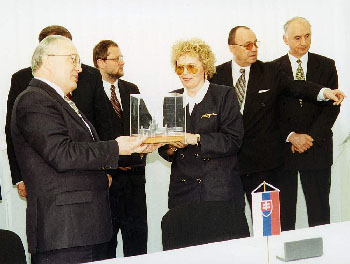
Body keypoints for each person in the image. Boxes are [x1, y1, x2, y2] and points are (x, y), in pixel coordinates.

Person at [10, 35, 154, 264]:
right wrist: (116, 147)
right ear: (48, 61)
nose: (79, 68)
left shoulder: (58, 99)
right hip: (66, 233)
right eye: (73, 60)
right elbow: (62, 154)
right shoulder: (34, 100)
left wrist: (131, 149)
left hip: (82, 230)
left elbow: (81, 151)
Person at [209, 26, 344, 210]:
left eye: (256, 43)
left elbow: (297, 86)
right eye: (248, 45)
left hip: (262, 167)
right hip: (226, 166)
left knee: (268, 226)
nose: (254, 48)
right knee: (231, 223)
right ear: (232, 47)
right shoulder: (215, 75)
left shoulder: (270, 71)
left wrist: (324, 92)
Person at [159, 38, 249, 250]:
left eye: (191, 66)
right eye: (180, 67)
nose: (185, 72)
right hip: (184, 195)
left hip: (219, 194)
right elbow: (166, 149)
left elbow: (233, 140)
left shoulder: (224, 94)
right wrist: (171, 146)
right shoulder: (172, 99)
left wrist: (195, 138)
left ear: (205, 68)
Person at [5, 25, 112, 198]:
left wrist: (107, 168)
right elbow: (12, 132)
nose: (78, 67)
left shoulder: (89, 76)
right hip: (52, 189)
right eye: (70, 58)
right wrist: (19, 177)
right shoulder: (24, 85)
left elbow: (102, 123)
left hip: (87, 180)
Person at [274, 17, 340, 230]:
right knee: (284, 216)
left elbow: (333, 107)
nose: (303, 42)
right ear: (285, 39)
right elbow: (270, 113)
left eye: (307, 36)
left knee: (320, 213)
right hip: (285, 150)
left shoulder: (327, 65)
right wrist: (292, 136)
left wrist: (309, 139)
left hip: (317, 147)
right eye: (297, 37)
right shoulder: (272, 69)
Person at [93, 40, 148, 257]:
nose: (122, 62)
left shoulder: (131, 89)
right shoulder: (89, 93)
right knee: (106, 247)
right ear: (100, 62)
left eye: (121, 57)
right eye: (117, 59)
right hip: (107, 182)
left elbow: (145, 123)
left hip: (134, 180)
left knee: (137, 245)